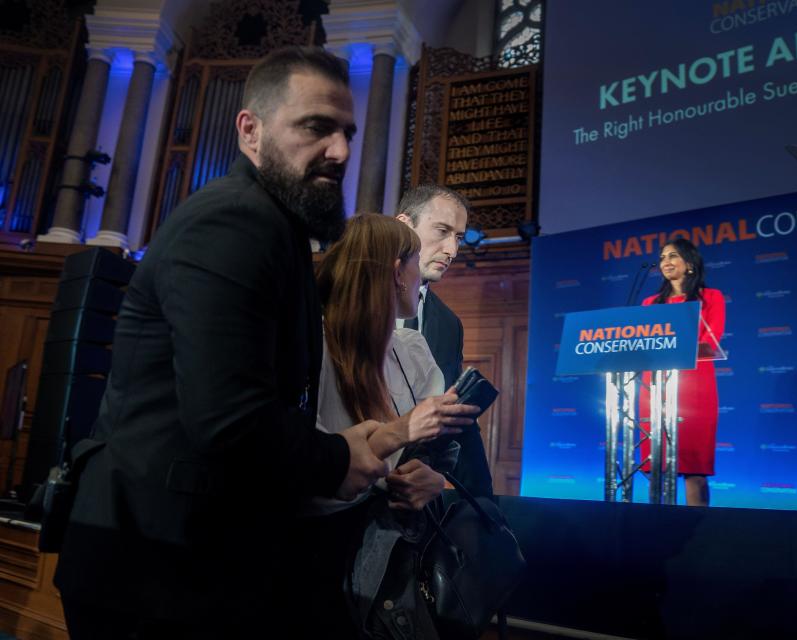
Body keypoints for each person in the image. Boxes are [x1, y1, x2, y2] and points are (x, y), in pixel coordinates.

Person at [53, 47, 395, 639]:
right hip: (150, 571)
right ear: (250, 130)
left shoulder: (276, 224)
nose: (339, 152)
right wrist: (337, 457)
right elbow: (228, 418)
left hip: (185, 564)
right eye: (315, 127)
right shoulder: (234, 220)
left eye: (346, 133)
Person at [302, 213, 479, 637]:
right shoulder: (313, 346)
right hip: (324, 554)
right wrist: (401, 433)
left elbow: (437, 448)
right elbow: (313, 479)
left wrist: (431, 477)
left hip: (400, 548)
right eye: (416, 259)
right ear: (398, 272)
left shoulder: (413, 348)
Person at [395, 185, 494, 497]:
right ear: (403, 225)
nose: (452, 249)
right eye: (442, 230)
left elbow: (453, 419)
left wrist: (485, 507)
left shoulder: (450, 325)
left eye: (459, 237)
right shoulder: (335, 299)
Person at [639, 237, 725, 507]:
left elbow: (711, 341)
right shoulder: (650, 304)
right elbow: (642, 344)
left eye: (673, 256)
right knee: (656, 469)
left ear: (689, 264)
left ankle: (698, 533)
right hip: (655, 389)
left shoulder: (710, 298)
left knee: (694, 471)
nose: (666, 262)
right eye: (663, 257)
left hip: (695, 388)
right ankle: (659, 532)